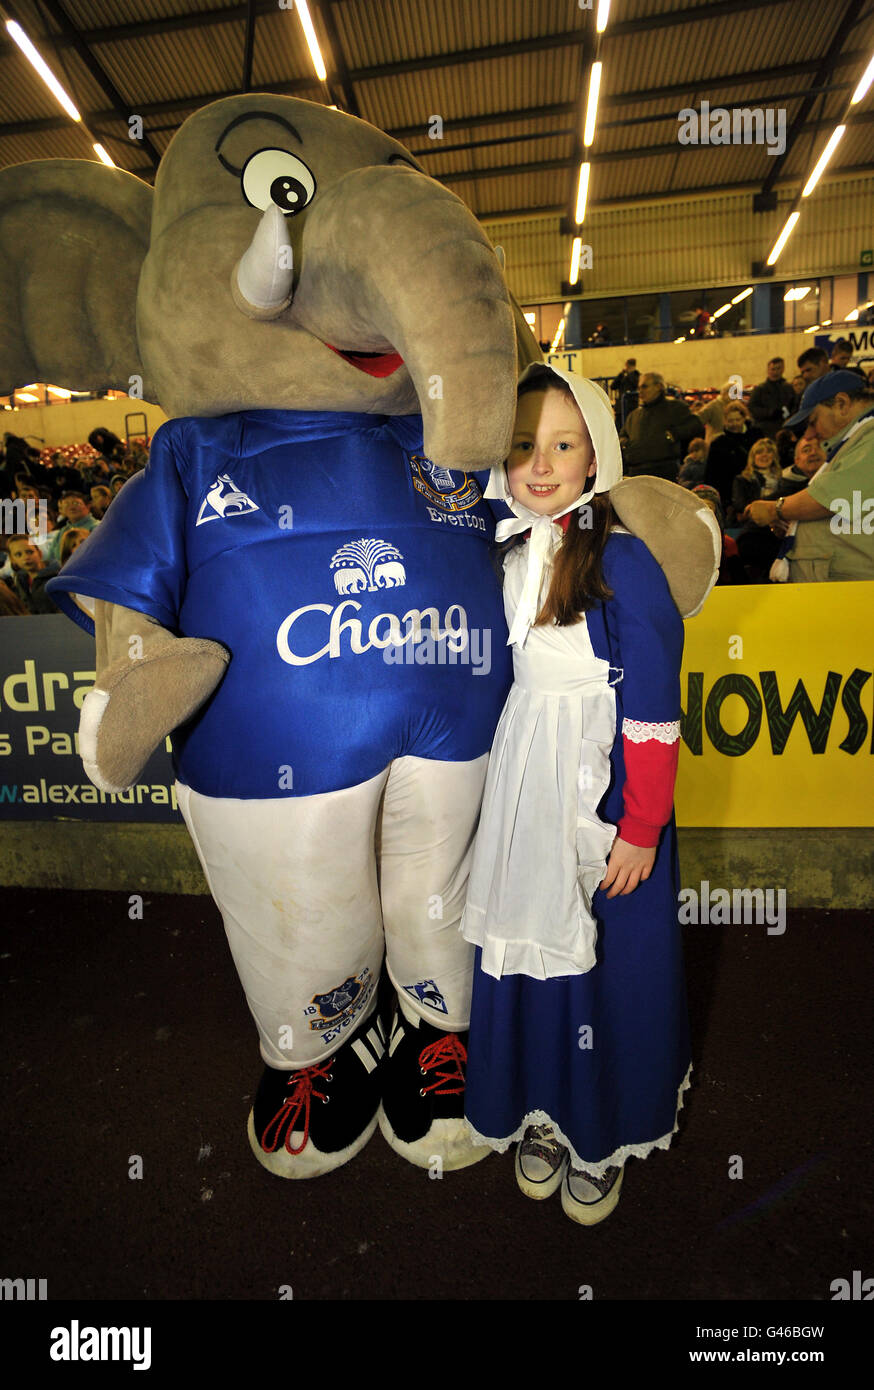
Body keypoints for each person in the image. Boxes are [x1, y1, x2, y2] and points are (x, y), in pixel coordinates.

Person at [461, 363, 692, 1226]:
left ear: (598, 453)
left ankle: (604, 1127)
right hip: (528, 781)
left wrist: (640, 827)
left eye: (562, 443)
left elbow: (656, 714)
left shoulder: (625, 562)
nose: (542, 463)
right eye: (523, 445)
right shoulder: (505, 549)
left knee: (606, 963)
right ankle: (546, 1114)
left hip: (607, 801)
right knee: (532, 951)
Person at [744, 370, 874, 582]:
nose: (810, 434)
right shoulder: (858, 439)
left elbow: (833, 498)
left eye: (813, 422)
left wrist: (776, 509)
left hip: (850, 587)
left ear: (842, 403)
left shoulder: (869, 436)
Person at [619, 371, 704, 481]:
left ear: (659, 386)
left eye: (644, 387)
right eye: (639, 388)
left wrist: (673, 435)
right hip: (636, 472)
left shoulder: (675, 408)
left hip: (664, 470)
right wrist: (627, 445)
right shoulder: (634, 415)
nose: (640, 392)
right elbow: (622, 436)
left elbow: (695, 425)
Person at [703, 400, 762, 513]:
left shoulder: (756, 436)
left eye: (737, 420)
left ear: (744, 419)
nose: (734, 424)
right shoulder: (718, 444)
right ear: (725, 421)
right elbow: (711, 473)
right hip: (728, 496)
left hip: (753, 490)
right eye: (730, 420)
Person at [748, 358, 795, 439]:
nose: (775, 372)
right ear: (768, 370)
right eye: (773, 369)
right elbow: (752, 408)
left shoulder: (789, 388)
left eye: (778, 368)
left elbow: (794, 405)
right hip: (764, 429)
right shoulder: (760, 389)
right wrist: (770, 413)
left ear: (783, 369)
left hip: (784, 428)